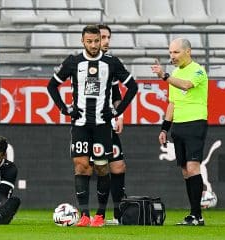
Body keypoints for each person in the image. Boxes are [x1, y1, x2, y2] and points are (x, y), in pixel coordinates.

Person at [47, 25, 138, 227]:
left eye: (97, 41)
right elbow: (52, 85)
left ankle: (100, 215)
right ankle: (85, 214)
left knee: (102, 168)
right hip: (79, 124)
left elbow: (133, 86)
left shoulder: (111, 62)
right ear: (83, 41)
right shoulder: (73, 62)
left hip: (102, 125)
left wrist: (117, 111)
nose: (94, 45)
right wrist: (64, 109)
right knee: (81, 166)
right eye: (90, 41)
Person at [151, 38, 208, 226]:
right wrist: (164, 128)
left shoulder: (198, 70)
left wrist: (164, 76)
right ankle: (193, 215)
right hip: (179, 126)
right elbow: (172, 103)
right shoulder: (175, 73)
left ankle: (197, 215)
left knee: (193, 167)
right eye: (170, 53)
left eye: (175, 52)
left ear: (188, 51)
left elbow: (186, 85)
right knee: (185, 171)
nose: (172, 56)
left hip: (195, 123)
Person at [92, 24, 128, 225]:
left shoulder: (112, 63)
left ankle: (117, 214)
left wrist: (119, 115)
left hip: (107, 122)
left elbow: (116, 93)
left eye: (107, 37)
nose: (105, 41)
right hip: (88, 123)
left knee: (118, 166)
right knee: (89, 168)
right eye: (101, 37)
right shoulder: (85, 62)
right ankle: (95, 214)